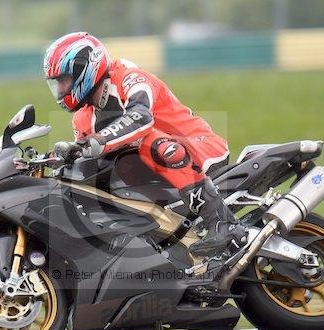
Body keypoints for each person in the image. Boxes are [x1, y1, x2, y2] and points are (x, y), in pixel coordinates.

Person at [43, 32, 246, 256]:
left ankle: (223, 223)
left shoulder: (129, 77)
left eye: (64, 80)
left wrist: (99, 140)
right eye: (57, 83)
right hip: (155, 172)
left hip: (201, 149)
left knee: (147, 141)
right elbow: (87, 161)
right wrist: (57, 159)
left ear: (85, 69)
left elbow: (141, 118)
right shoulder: (82, 118)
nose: (60, 89)